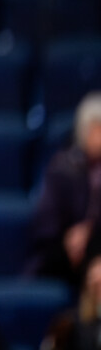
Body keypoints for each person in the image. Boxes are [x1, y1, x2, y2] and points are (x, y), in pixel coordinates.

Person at [31, 93, 101, 288]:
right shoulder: (62, 167)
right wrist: (69, 237)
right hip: (63, 249)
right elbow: (46, 219)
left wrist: (91, 231)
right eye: (95, 129)